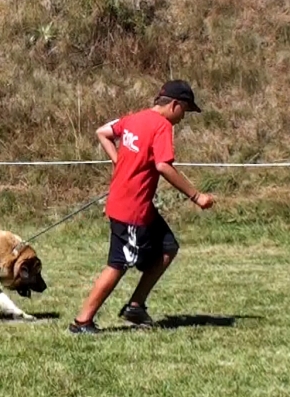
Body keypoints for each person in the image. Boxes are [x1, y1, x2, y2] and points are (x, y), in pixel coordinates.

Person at [68, 80, 215, 334]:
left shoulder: (133, 118)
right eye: (185, 111)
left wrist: (119, 162)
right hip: (131, 208)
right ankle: (82, 321)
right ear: (174, 105)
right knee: (118, 263)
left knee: (168, 246)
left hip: (135, 204)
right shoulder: (162, 126)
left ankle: (136, 305)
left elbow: (102, 132)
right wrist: (197, 196)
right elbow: (163, 166)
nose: (183, 117)